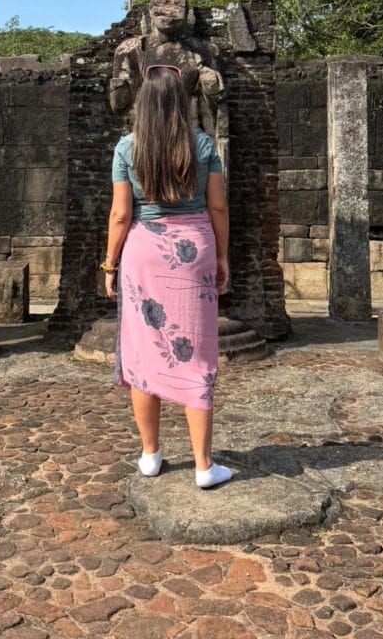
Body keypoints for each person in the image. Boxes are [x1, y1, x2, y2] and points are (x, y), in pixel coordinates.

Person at [103, 64, 233, 489]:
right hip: (194, 247)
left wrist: (109, 264)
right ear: (182, 103)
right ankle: (203, 465)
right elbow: (217, 208)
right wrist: (223, 257)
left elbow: (122, 214)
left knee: (144, 351)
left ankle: (150, 455)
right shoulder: (203, 145)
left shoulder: (127, 147)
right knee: (195, 352)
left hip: (143, 251)